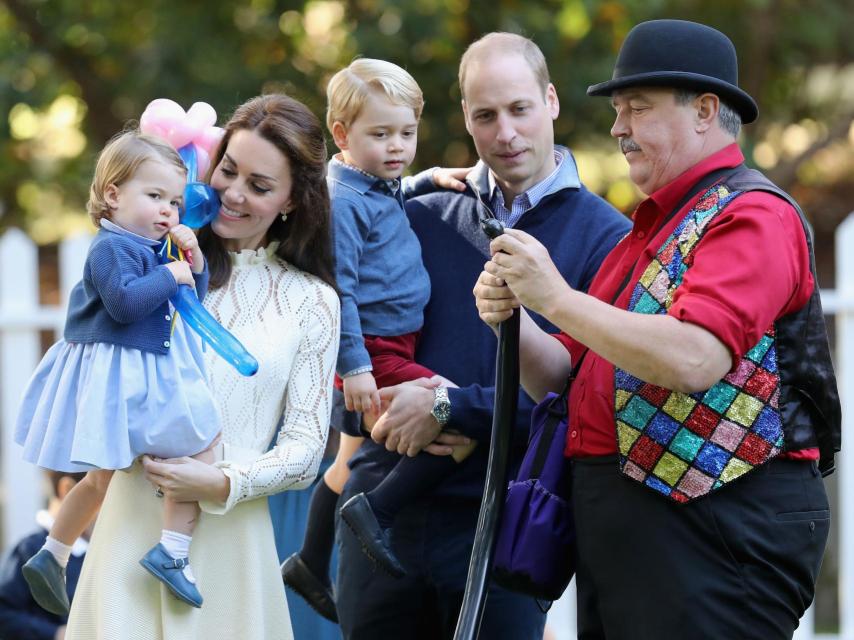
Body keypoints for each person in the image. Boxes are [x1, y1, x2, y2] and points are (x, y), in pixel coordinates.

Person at [473, 19, 840, 640]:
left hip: (718, 535)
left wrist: (556, 297)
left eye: (636, 109)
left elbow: (696, 357)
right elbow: (568, 376)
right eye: (618, 110)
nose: (618, 128)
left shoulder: (752, 214)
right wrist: (515, 319)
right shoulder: (648, 229)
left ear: (704, 111)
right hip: (639, 537)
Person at [334, 33, 632, 639]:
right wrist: (383, 406)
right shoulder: (419, 213)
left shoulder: (610, 239)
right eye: (485, 116)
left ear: (550, 100)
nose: (505, 133)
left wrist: (452, 409)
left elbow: (592, 405)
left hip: (503, 527)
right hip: (382, 511)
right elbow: (352, 351)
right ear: (466, 119)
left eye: (520, 109)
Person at [63, 93, 340, 640]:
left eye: (259, 187)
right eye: (228, 170)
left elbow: (306, 450)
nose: (233, 194)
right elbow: (92, 366)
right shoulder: (153, 264)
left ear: (290, 201)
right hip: (131, 522)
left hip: (231, 539)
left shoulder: (313, 302)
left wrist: (220, 481)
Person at [281, 58, 472, 615]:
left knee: (347, 459)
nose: (396, 147)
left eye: (406, 133)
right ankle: (376, 511)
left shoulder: (375, 183)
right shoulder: (343, 202)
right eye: (381, 135)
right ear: (342, 135)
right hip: (376, 348)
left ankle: (310, 562)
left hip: (393, 342)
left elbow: (387, 192)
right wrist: (358, 366)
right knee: (460, 415)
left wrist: (426, 179)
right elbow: (337, 288)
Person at [14, 130, 221, 614]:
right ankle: (163, 550)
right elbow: (126, 304)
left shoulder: (153, 247)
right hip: (122, 376)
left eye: (174, 200)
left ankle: (55, 553)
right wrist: (171, 273)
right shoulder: (110, 249)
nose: (169, 210)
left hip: (140, 373)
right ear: (113, 195)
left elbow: (194, 297)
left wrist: (194, 261)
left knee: (107, 475)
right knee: (198, 444)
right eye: (155, 196)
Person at [0, 471, 87, 640]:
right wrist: (56, 634)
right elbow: (4, 613)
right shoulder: (30, 548)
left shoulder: (99, 550)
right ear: (67, 489)